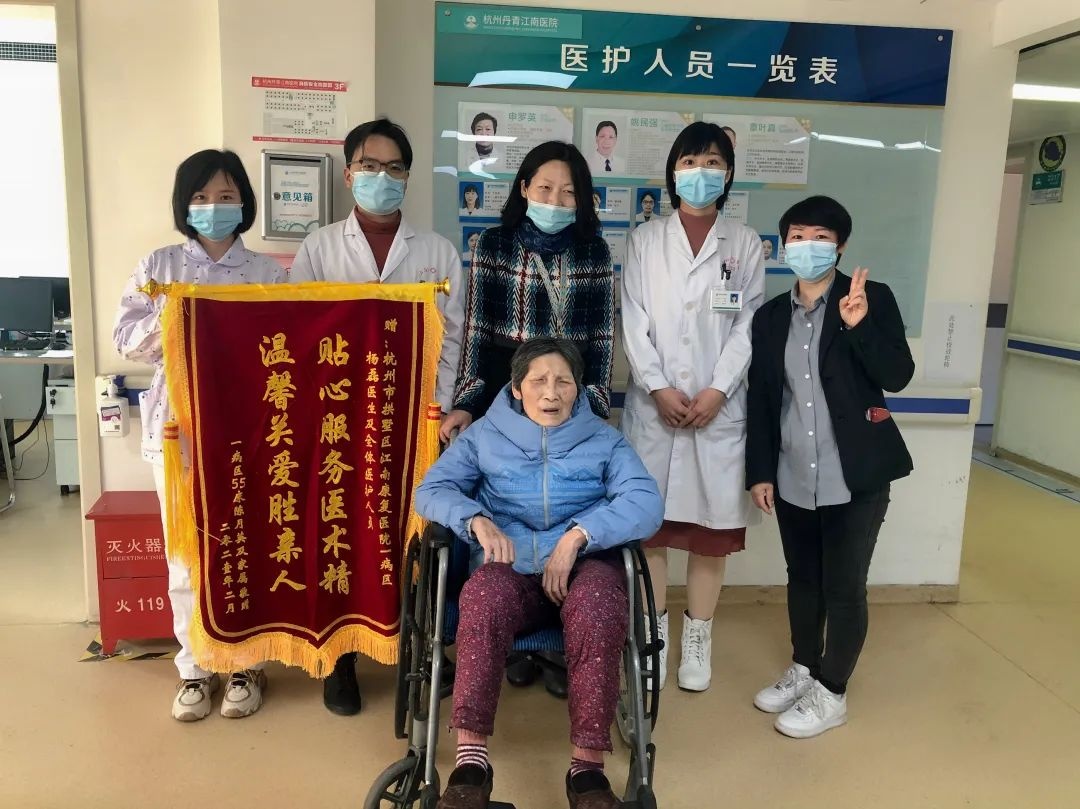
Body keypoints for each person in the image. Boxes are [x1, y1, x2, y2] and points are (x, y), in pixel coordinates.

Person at [415, 338, 664, 809]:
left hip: (584, 571)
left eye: (564, 382)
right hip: (510, 570)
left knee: (600, 601)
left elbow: (646, 502)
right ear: (516, 387)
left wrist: (579, 535)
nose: (551, 393)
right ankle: (470, 765)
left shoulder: (604, 440)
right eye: (539, 381)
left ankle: (587, 772)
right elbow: (432, 489)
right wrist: (475, 518)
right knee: (483, 595)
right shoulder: (484, 436)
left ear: (579, 389)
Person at [290, 117, 466, 716]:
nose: (381, 177)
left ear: (408, 177)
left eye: (394, 168)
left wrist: (439, 409)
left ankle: (415, 651)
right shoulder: (318, 249)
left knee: (412, 535)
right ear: (349, 174)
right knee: (339, 534)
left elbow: (453, 340)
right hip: (338, 421)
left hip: (414, 421)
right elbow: (300, 336)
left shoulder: (437, 252)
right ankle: (340, 659)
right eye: (370, 166)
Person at [113, 149, 286, 722]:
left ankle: (246, 664)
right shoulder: (159, 267)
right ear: (184, 205)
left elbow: (287, 348)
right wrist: (179, 318)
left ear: (244, 203)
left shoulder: (267, 273)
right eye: (201, 197)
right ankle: (194, 669)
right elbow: (125, 340)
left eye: (226, 196)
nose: (214, 207)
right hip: (177, 436)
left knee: (247, 549)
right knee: (185, 556)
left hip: (249, 435)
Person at [746, 195, 914, 738]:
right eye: (797, 236)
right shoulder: (771, 317)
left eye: (820, 237)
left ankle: (832, 690)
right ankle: (804, 667)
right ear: (783, 246)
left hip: (855, 475)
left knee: (844, 587)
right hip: (793, 472)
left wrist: (859, 327)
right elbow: (764, 399)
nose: (807, 246)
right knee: (803, 580)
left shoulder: (871, 298)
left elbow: (898, 375)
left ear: (840, 247)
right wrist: (760, 471)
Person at [620, 121, 765, 693]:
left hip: (717, 412)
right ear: (672, 171)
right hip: (654, 410)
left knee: (710, 531)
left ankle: (698, 637)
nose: (699, 172)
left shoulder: (745, 243)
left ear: (727, 174)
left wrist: (718, 390)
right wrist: (657, 387)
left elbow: (749, 325)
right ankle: (654, 636)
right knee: (652, 532)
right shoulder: (644, 240)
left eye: (711, 162)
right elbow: (633, 319)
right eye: (688, 161)